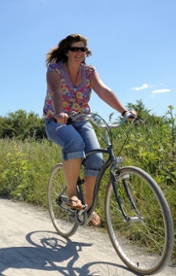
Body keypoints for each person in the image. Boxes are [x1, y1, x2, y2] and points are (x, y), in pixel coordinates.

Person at [42, 33, 136, 227]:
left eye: (82, 49)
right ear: (67, 52)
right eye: (74, 49)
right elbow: (55, 91)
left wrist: (124, 111)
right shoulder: (55, 70)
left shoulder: (90, 72)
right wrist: (60, 111)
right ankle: (72, 196)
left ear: (86, 52)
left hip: (82, 120)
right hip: (56, 120)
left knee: (96, 158)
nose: (79, 52)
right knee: (74, 143)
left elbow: (103, 90)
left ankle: (88, 206)